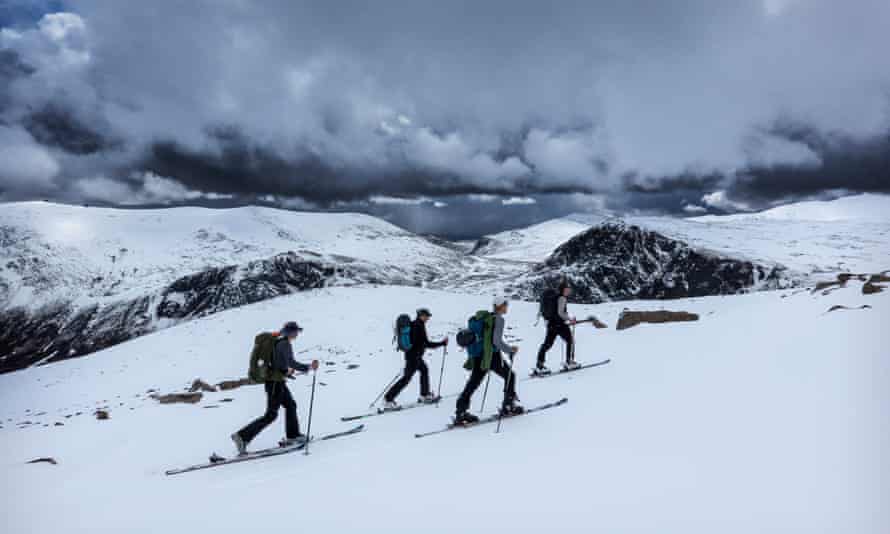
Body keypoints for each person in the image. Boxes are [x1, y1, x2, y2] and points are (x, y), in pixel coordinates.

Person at [231, 321, 319, 454]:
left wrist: (286, 372)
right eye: (295, 332)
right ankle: (242, 437)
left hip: (277, 382)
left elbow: (278, 364)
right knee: (271, 415)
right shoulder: (284, 344)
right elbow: (291, 362)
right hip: (274, 384)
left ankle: (293, 435)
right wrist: (308, 367)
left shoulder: (278, 342)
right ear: (290, 332)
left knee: (290, 405)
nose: (297, 334)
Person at [454, 297, 524, 425]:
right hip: (491, 356)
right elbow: (496, 341)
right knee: (510, 376)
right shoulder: (498, 319)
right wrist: (510, 350)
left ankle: (461, 411)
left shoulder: (485, 318)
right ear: (499, 306)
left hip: (478, 356)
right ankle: (508, 406)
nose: (506, 307)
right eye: (505, 305)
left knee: (473, 383)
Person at [383, 308, 448, 409]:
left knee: (424, 370)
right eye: (426, 316)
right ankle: (388, 399)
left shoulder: (415, 324)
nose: (428, 318)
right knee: (406, 378)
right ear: (421, 315)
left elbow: (422, 343)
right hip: (414, 357)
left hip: (414, 356)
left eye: (428, 316)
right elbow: (426, 343)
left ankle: (424, 394)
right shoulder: (418, 326)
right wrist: (441, 343)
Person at [535, 281, 578, 375]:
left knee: (547, 344)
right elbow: (560, 313)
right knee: (570, 341)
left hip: (551, 324)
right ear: (562, 290)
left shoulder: (554, 298)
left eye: (569, 289)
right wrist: (570, 319)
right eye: (567, 289)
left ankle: (539, 365)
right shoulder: (562, 298)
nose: (568, 291)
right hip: (559, 324)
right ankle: (569, 361)